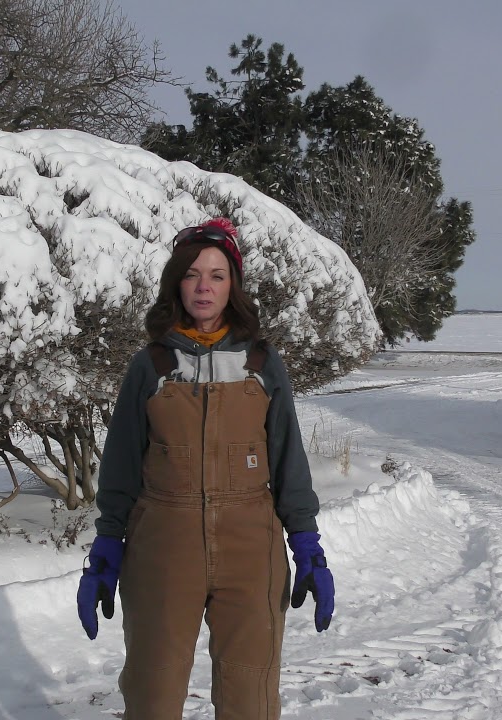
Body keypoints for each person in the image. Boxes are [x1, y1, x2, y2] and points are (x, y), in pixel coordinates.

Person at [76, 217, 335, 719]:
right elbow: (122, 467)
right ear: (176, 281)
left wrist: (307, 544)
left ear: (232, 284)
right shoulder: (151, 365)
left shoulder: (262, 363)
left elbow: (288, 460)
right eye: (193, 273)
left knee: (251, 699)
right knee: (153, 695)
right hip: (163, 550)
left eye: (217, 275)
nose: (204, 286)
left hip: (251, 549)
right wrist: (108, 544)